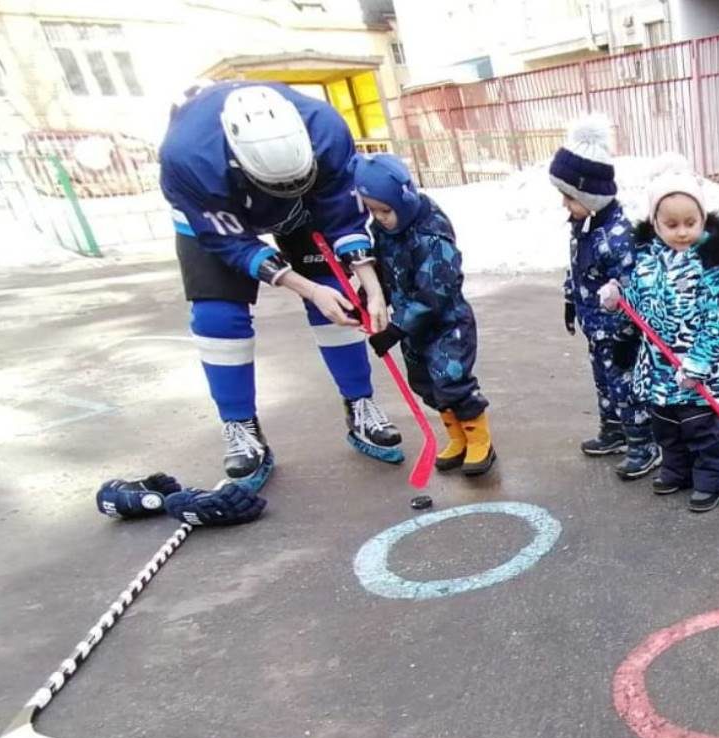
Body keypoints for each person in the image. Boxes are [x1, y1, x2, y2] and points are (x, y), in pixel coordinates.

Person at [160, 81, 402, 481]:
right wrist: (307, 288)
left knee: (341, 297)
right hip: (214, 213)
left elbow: (343, 215)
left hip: (305, 207)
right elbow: (231, 244)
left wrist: (372, 287)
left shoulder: (326, 129)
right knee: (218, 316)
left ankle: (360, 403)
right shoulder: (186, 157)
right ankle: (240, 424)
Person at [598, 155, 719, 513]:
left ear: (702, 221)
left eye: (690, 223)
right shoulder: (647, 262)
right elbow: (639, 303)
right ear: (656, 225)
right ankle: (676, 470)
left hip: (694, 372)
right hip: (658, 370)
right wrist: (619, 298)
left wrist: (699, 363)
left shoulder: (710, 265)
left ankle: (711, 479)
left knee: (700, 430)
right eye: (671, 224)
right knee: (667, 428)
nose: (681, 231)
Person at [354, 154, 496, 476]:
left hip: (447, 326)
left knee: (452, 381)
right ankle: (456, 436)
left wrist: (394, 328)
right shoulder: (386, 231)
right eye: (372, 210)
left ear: (403, 200)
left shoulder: (431, 235)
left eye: (385, 210)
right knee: (425, 383)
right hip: (413, 330)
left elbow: (434, 295)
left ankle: (479, 441)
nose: (379, 218)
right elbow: (386, 272)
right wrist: (368, 296)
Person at [550, 114, 661, 480]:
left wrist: (621, 311)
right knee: (603, 381)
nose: (565, 204)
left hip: (619, 331)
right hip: (595, 327)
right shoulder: (584, 226)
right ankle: (613, 430)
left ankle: (644, 444)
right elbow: (577, 270)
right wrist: (571, 300)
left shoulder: (617, 234)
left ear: (590, 194)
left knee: (626, 385)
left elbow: (634, 281)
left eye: (570, 197)